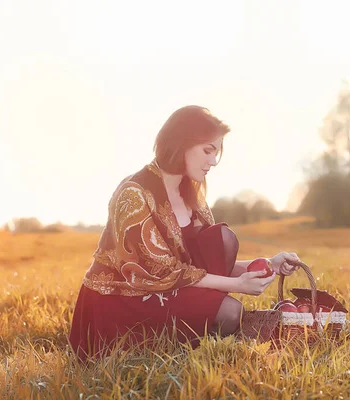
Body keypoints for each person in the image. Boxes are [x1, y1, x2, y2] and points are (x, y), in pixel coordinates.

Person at [69, 105, 302, 361]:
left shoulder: (191, 192)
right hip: (120, 301)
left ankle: (196, 347)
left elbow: (194, 267)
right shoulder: (134, 194)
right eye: (207, 150)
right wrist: (237, 285)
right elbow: (162, 272)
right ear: (181, 144)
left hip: (167, 289)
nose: (213, 161)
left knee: (220, 240)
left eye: (216, 152)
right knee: (230, 311)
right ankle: (184, 349)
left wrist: (269, 264)